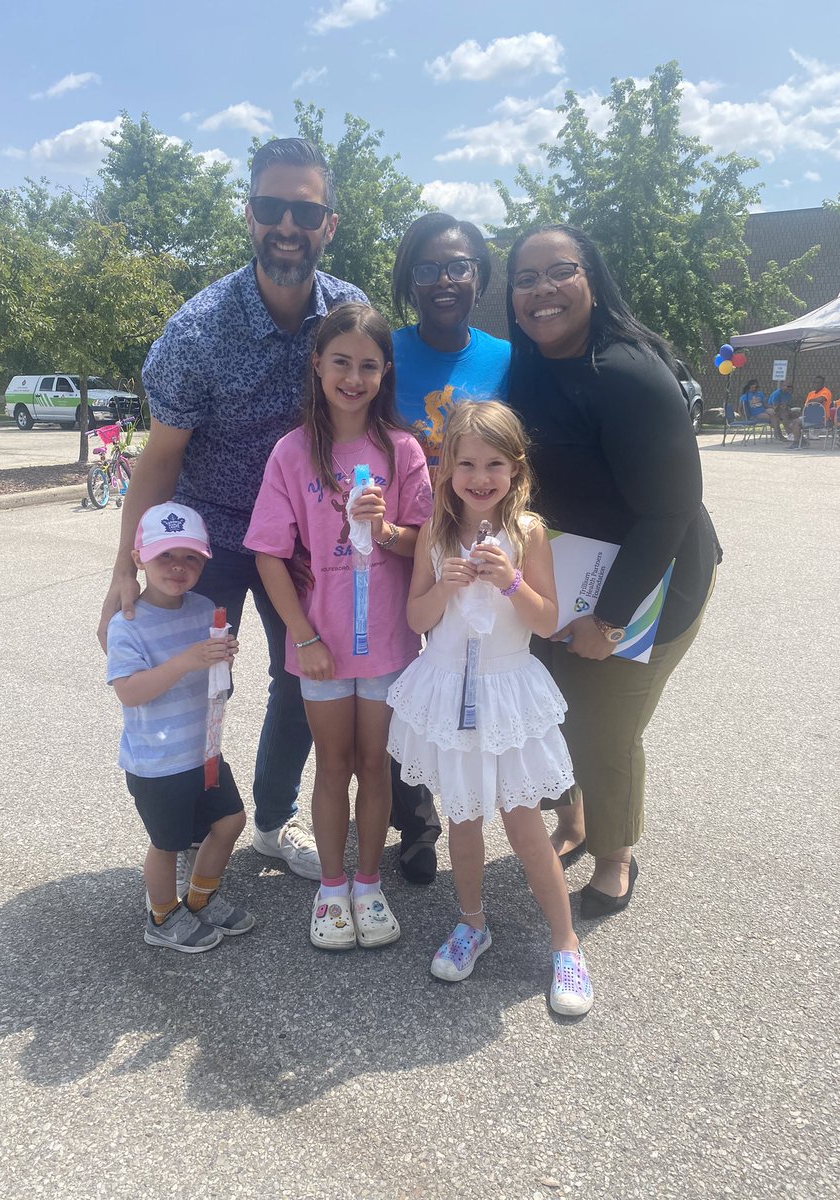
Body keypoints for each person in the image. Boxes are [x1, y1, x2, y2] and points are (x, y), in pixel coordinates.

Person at [96, 137, 367, 883]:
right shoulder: (197, 330)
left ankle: (273, 824)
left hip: (301, 542)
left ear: (328, 223)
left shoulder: (349, 317)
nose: (288, 224)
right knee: (189, 677)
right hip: (203, 540)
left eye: (305, 210)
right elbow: (160, 457)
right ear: (249, 216)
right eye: (272, 207)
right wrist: (125, 569)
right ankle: (185, 827)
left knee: (303, 673)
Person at [505, 224, 719, 917]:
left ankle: (616, 856)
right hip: (566, 573)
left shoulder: (628, 374)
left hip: (652, 579)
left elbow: (670, 513)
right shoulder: (529, 369)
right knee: (554, 709)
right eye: (525, 277)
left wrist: (610, 619)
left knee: (604, 726)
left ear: (591, 278)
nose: (542, 290)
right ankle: (574, 821)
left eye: (559, 271)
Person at [386, 401, 593, 1015]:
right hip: (448, 691)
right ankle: (472, 921)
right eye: (467, 463)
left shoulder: (528, 531)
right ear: (447, 467)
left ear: (516, 469)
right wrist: (443, 586)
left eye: (494, 464)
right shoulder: (433, 531)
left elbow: (549, 620)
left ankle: (566, 944)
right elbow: (416, 619)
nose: (480, 476)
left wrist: (509, 581)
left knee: (525, 825)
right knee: (464, 821)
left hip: (506, 692)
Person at [245, 303, 432, 951]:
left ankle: (369, 884)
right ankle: (331, 888)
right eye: (342, 362)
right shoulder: (293, 453)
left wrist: (385, 530)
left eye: (369, 366)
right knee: (333, 764)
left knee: (375, 765)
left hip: (385, 647)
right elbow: (268, 552)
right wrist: (302, 636)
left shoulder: (401, 450)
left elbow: (424, 544)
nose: (354, 377)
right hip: (320, 648)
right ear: (318, 364)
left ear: (385, 373)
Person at [387, 212, 512, 883]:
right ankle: (417, 824)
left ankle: (515, 799)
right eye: (429, 267)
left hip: (479, 545)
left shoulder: (503, 357)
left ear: (478, 276)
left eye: (458, 265)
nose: (444, 279)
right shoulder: (389, 351)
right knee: (404, 681)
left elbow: (520, 451)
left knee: (494, 669)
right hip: (397, 543)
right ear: (410, 278)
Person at [106, 502, 254, 953]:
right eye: (165, 556)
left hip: (204, 749)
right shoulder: (127, 623)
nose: (178, 567)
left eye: (191, 557)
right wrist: (187, 660)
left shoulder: (206, 607)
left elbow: (215, 680)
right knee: (167, 844)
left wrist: (222, 663)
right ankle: (162, 914)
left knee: (230, 820)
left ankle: (201, 895)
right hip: (157, 761)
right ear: (139, 560)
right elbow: (129, 691)